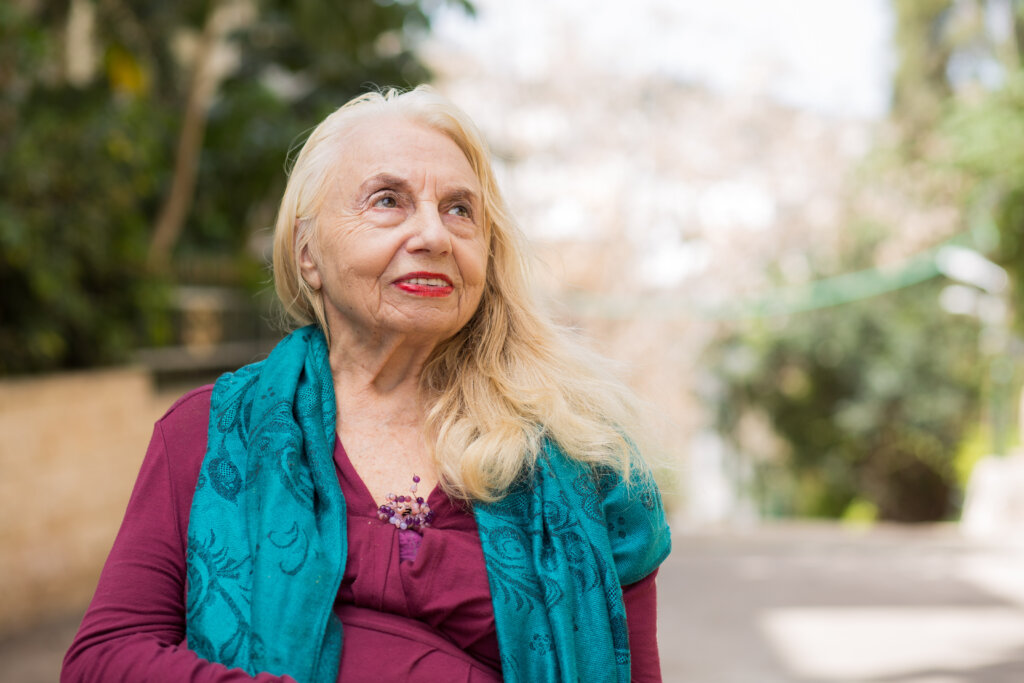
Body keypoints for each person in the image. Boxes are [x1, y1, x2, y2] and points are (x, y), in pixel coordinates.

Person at [62, 86, 671, 682]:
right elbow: (104, 659)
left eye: (460, 210)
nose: (434, 236)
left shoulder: (581, 457)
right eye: (388, 200)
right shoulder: (209, 435)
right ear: (308, 253)